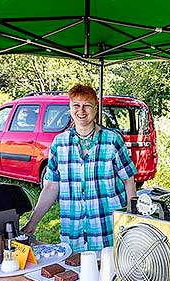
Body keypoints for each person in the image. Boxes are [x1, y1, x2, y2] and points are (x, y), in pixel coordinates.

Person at [22, 83, 137, 254]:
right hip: (73, 233)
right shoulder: (59, 143)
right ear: (70, 108)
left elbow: (129, 180)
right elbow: (52, 186)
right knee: (75, 276)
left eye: (87, 105)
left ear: (95, 108)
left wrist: (131, 218)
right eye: (76, 105)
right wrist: (32, 224)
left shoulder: (112, 140)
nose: (81, 111)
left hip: (107, 230)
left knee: (108, 277)